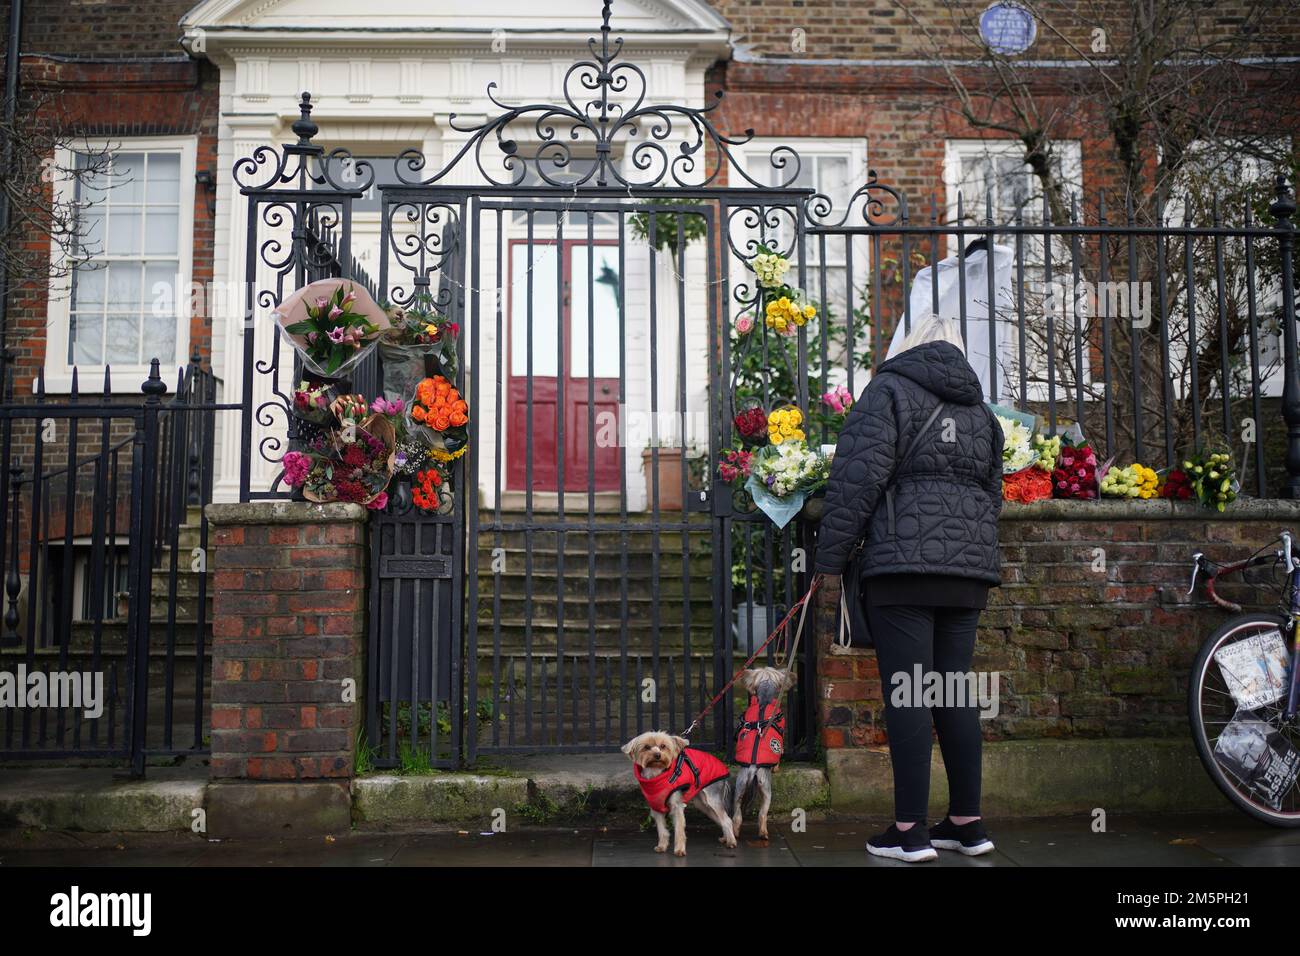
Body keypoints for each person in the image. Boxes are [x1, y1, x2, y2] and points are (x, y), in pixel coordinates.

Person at [815, 315, 1004, 862]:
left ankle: (909, 832)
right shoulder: (981, 414)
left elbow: (857, 479)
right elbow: (992, 495)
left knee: (910, 694)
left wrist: (829, 558)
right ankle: (967, 825)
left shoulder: (888, 392)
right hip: (967, 574)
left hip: (902, 570)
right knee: (953, 692)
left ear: (911, 343)